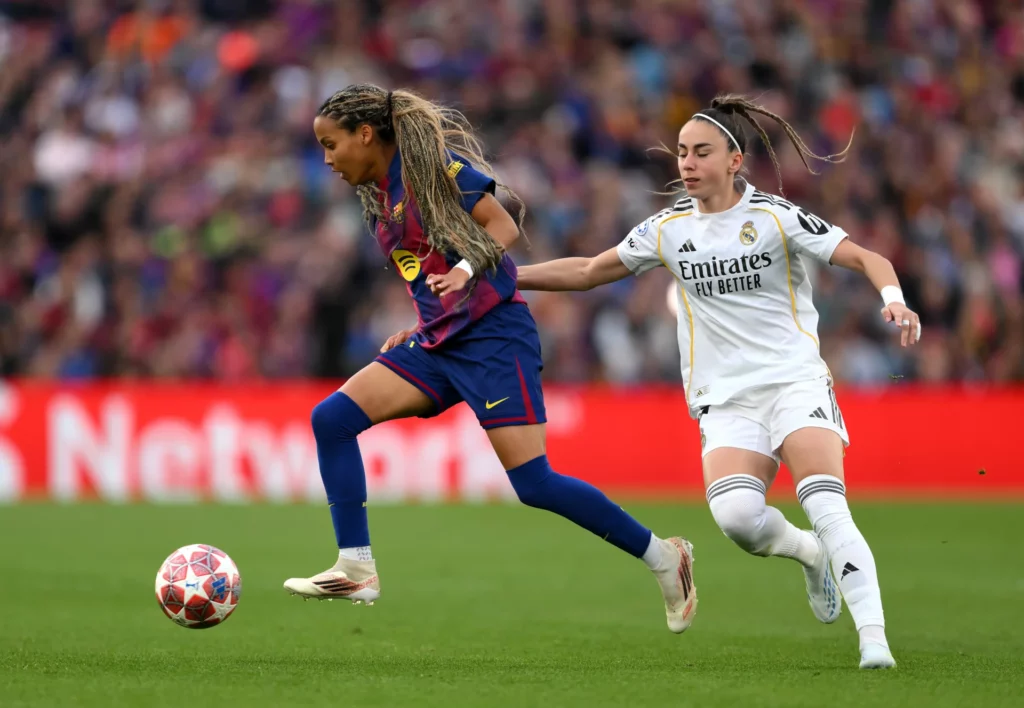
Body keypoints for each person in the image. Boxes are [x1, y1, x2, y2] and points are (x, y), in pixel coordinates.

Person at [511, 95, 919, 669]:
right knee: (737, 522)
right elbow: (586, 272)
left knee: (829, 506)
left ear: (735, 160)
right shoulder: (668, 229)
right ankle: (810, 557)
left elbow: (865, 257)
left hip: (795, 382)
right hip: (725, 400)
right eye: (681, 152)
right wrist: (505, 279)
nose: (687, 162)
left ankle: (873, 641)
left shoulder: (777, 217)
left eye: (701, 152)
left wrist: (894, 300)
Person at [284, 84, 697, 634]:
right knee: (331, 419)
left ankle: (666, 557)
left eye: (331, 144)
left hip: (493, 337)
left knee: (535, 484)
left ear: (365, 134)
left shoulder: (432, 168)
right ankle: (356, 566)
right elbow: (424, 269)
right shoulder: (377, 197)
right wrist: (426, 315)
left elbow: (502, 226)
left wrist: (464, 271)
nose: (328, 159)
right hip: (438, 340)